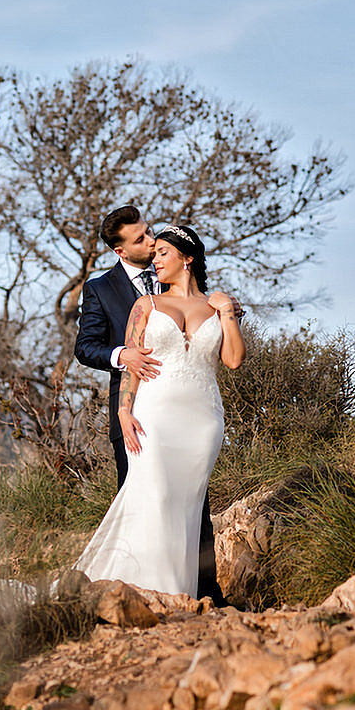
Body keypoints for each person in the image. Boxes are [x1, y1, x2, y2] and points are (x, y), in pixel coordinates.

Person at [73, 221, 245, 597]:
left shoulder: (216, 307)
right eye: (149, 247)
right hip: (152, 415)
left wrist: (228, 311)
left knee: (190, 507)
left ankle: (193, 594)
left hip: (202, 420)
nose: (154, 255)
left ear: (188, 259)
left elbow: (233, 359)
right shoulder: (142, 303)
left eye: (162, 250)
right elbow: (128, 361)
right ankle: (143, 589)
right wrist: (123, 410)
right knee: (155, 495)